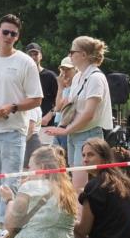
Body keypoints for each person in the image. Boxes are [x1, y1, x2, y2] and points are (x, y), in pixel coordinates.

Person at [0, 15, 43, 228]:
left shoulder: (26, 62)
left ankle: (6, 227)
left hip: (14, 129)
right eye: (5, 32)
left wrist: (13, 107)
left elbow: (37, 98)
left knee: (11, 181)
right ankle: (1, 225)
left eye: (13, 34)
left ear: (17, 37)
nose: (8, 36)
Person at [45, 36, 113, 194]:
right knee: (77, 184)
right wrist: (61, 88)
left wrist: (65, 130)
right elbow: (63, 108)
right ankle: (80, 216)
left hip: (89, 135)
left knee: (80, 186)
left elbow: (89, 114)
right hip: (75, 135)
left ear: (83, 55)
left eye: (72, 52)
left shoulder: (96, 78)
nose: (70, 55)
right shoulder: (77, 78)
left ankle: (84, 218)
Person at [25, 42, 59, 130]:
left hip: (47, 125)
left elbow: (61, 99)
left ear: (41, 56)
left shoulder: (50, 76)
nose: (33, 57)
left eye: (36, 54)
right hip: (25, 125)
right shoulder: (22, 76)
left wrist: (49, 115)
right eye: (30, 55)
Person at [50, 55, 76, 154]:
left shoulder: (74, 87)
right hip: (59, 124)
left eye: (68, 69)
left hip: (67, 126)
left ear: (75, 70)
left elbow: (59, 108)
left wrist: (60, 87)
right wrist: (61, 87)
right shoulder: (65, 88)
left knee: (62, 157)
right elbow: (57, 107)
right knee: (56, 158)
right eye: (62, 69)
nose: (64, 73)